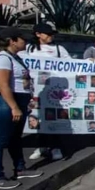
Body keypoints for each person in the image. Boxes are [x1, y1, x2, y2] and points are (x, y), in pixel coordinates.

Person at [0, 27, 43, 190]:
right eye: (22, 39)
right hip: (7, 103)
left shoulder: (15, 57)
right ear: (12, 41)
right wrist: (14, 107)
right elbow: (3, 85)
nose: (25, 41)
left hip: (18, 101)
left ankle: (20, 168)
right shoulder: (2, 58)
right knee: (1, 140)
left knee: (15, 138)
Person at [23, 22, 70, 161]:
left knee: (53, 118)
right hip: (36, 92)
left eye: (52, 34)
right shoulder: (29, 49)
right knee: (37, 119)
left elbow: (72, 65)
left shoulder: (59, 49)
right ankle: (41, 147)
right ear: (38, 34)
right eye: (48, 34)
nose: (51, 36)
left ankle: (56, 147)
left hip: (54, 92)